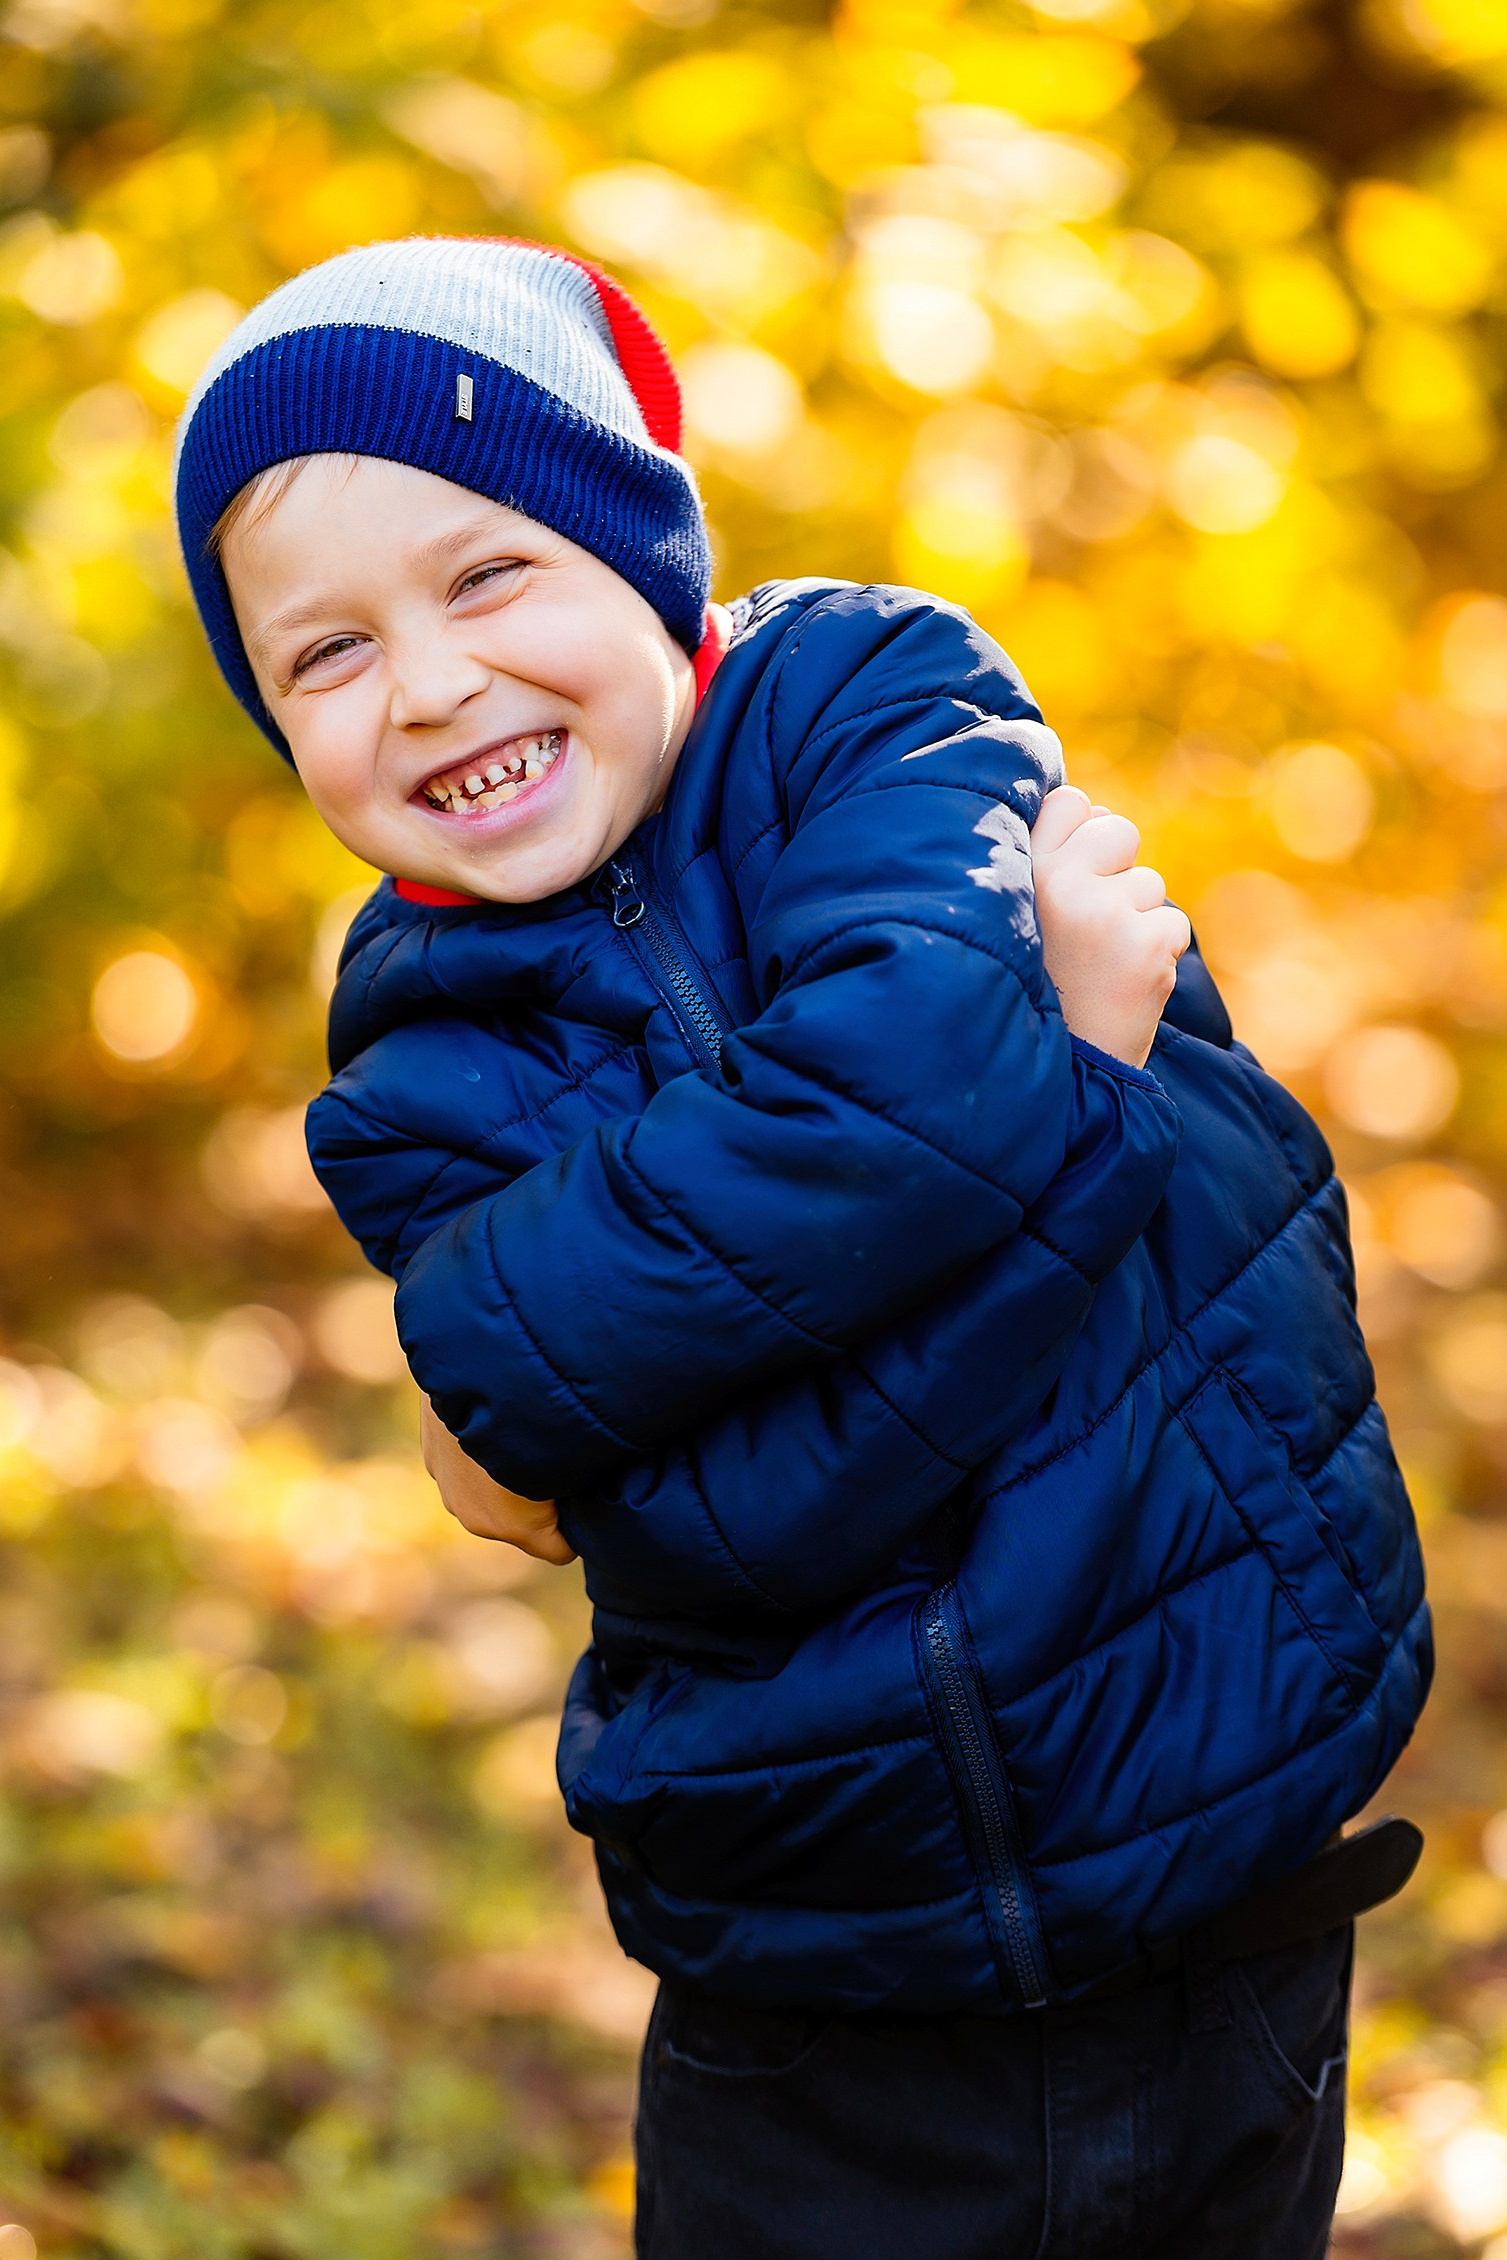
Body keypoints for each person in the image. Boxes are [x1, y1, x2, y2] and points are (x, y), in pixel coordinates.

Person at [173, 235, 1431, 2259]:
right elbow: (739, 1522)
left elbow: (911, 1067)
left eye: (488, 573)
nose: (426, 682)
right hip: (817, 1965)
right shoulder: (412, 1070)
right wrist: (1079, 1086)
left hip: (1218, 1863)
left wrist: (599, 1328)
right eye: (321, 653)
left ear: (643, 554)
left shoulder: (875, 700)